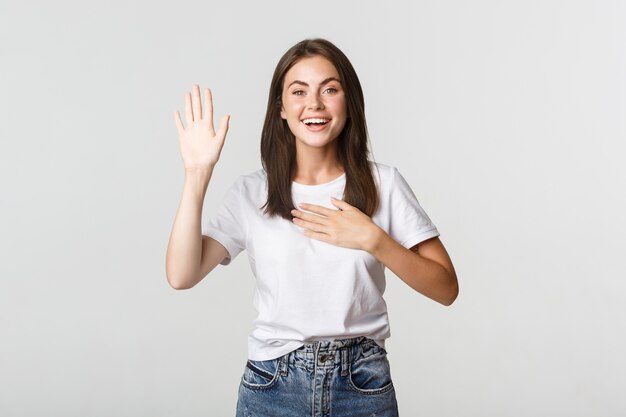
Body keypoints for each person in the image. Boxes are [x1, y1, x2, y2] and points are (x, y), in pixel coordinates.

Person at [166, 38, 458, 417]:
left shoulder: (383, 184)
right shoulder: (251, 191)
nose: (315, 104)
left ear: (349, 102)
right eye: (299, 91)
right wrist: (197, 174)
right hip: (273, 386)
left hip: (361, 383)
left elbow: (446, 288)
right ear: (282, 109)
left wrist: (374, 240)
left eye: (330, 89)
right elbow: (181, 274)